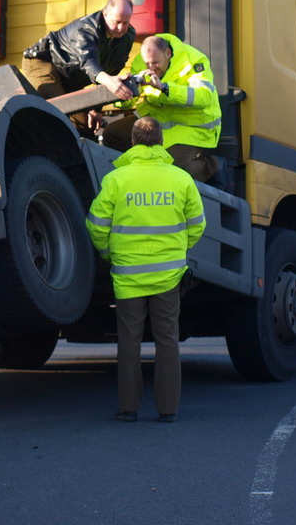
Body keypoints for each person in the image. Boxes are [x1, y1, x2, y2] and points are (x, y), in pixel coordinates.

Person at [85, 116, 205, 423]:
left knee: (129, 342)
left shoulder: (116, 179)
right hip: (168, 276)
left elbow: (96, 225)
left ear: (134, 142)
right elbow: (197, 225)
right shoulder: (180, 179)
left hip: (128, 277)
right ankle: (168, 410)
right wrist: (178, 251)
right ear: (161, 142)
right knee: (167, 342)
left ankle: (129, 409)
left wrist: (108, 253)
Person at [103, 33, 221, 182]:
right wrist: (122, 92)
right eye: (148, 64)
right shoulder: (141, 61)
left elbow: (204, 97)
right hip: (157, 122)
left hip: (192, 128)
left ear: (168, 53)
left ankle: (212, 166)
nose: (151, 67)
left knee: (167, 170)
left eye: (155, 63)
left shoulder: (193, 60)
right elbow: (129, 100)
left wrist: (165, 88)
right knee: (112, 134)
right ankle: (131, 180)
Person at [21, 0, 136, 134]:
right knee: (60, 111)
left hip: (71, 77)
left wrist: (96, 108)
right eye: (117, 22)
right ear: (105, 14)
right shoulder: (85, 29)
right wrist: (109, 81)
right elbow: (88, 61)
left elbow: (111, 69)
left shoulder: (128, 35)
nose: (121, 28)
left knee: (85, 124)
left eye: (126, 22)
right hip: (44, 62)